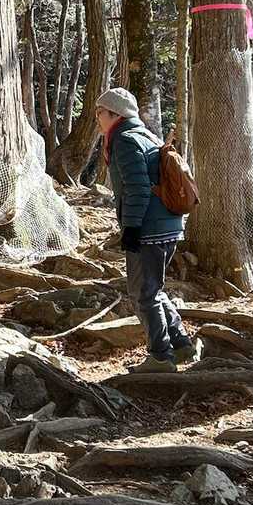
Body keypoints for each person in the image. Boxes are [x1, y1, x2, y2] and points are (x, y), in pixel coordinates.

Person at [94, 87, 199, 373]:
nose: (97, 118)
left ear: (115, 114)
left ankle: (160, 357)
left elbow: (138, 189)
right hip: (169, 225)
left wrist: (131, 228)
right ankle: (181, 344)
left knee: (143, 294)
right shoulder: (146, 135)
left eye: (100, 112)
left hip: (149, 228)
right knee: (153, 289)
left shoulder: (125, 140)